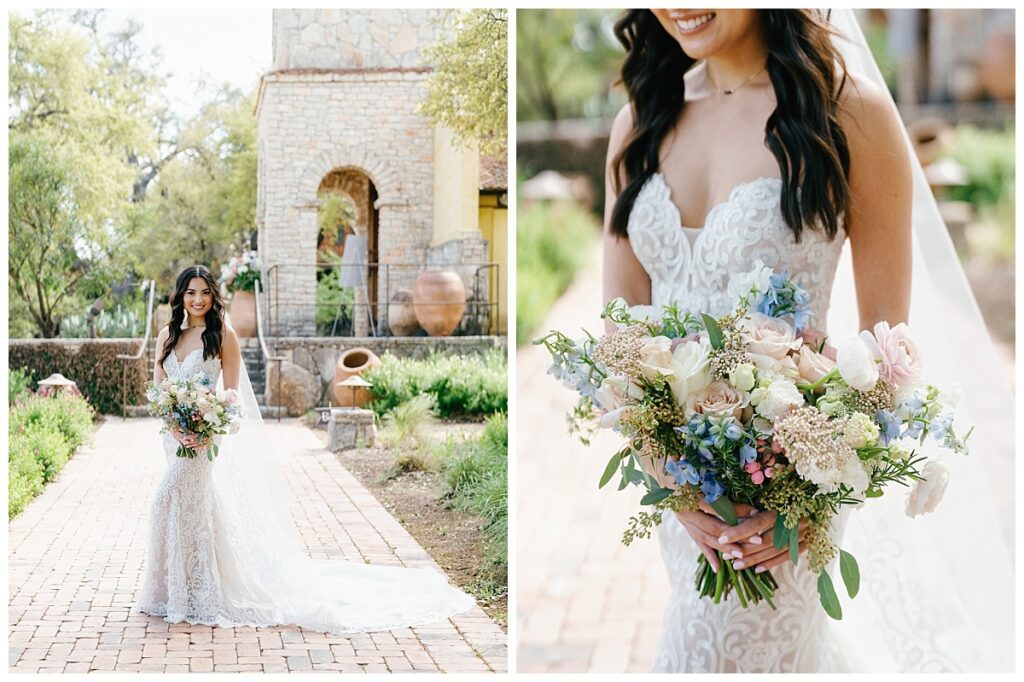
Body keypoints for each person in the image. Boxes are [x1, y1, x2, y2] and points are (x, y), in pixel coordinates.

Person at [602, 9, 1012, 673]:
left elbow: (887, 354)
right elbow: (618, 336)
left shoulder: (851, 116)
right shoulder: (639, 124)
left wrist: (807, 504)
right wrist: (666, 477)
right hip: (688, 501)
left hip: (790, 505)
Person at [138, 265, 475, 631]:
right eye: (191, 292)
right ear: (180, 295)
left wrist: (204, 430)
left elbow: (232, 399)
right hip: (174, 439)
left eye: (204, 292)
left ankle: (202, 594)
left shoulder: (224, 336)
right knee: (179, 505)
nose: (198, 299)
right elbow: (159, 394)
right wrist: (176, 427)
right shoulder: (166, 336)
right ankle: (173, 592)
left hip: (204, 440)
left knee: (173, 499)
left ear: (213, 295)